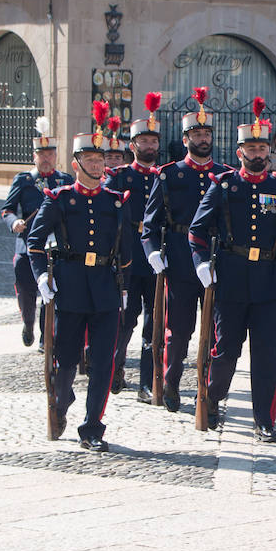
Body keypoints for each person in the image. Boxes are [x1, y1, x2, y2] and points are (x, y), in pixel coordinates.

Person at [189, 103, 276, 442]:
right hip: (229, 280)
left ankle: (264, 421)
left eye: (262, 148)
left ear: (269, 150)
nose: (257, 154)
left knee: (266, 358)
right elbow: (196, 232)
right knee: (226, 351)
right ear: (239, 151)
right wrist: (201, 263)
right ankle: (213, 397)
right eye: (251, 148)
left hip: (268, 283)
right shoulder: (225, 186)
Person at [26, 110, 132, 451]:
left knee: (104, 362)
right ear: (76, 164)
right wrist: (42, 276)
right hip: (70, 287)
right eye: (90, 159)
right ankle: (62, 398)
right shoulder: (60, 199)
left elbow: (125, 249)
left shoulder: (115, 202)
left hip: (104, 289)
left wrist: (124, 286)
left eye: (101, 160)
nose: (98, 166)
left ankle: (92, 428)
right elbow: (35, 243)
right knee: (66, 360)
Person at [142, 87, 233, 412]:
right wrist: (154, 252)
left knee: (214, 333)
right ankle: (171, 381)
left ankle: (205, 391)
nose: (202, 139)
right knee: (178, 331)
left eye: (206, 133)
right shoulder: (169, 175)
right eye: (196, 133)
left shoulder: (225, 176)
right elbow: (151, 224)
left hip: (217, 260)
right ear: (185, 139)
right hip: (180, 261)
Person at [104, 95, 164, 400]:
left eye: (154, 141)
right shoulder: (119, 178)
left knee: (154, 323)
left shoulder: (167, 176)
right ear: (133, 146)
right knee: (125, 320)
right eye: (144, 141)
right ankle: (115, 366)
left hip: (155, 260)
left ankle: (147, 381)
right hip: (127, 258)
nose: (150, 146)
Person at [1, 118, 73, 347]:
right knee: (26, 290)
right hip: (27, 245)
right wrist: (14, 222)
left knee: (50, 293)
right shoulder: (24, 180)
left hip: (54, 245)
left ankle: (46, 338)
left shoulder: (64, 181)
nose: (46, 159)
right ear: (34, 156)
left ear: (55, 156)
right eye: (41, 155)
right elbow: (7, 210)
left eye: (50, 154)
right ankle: (28, 322)